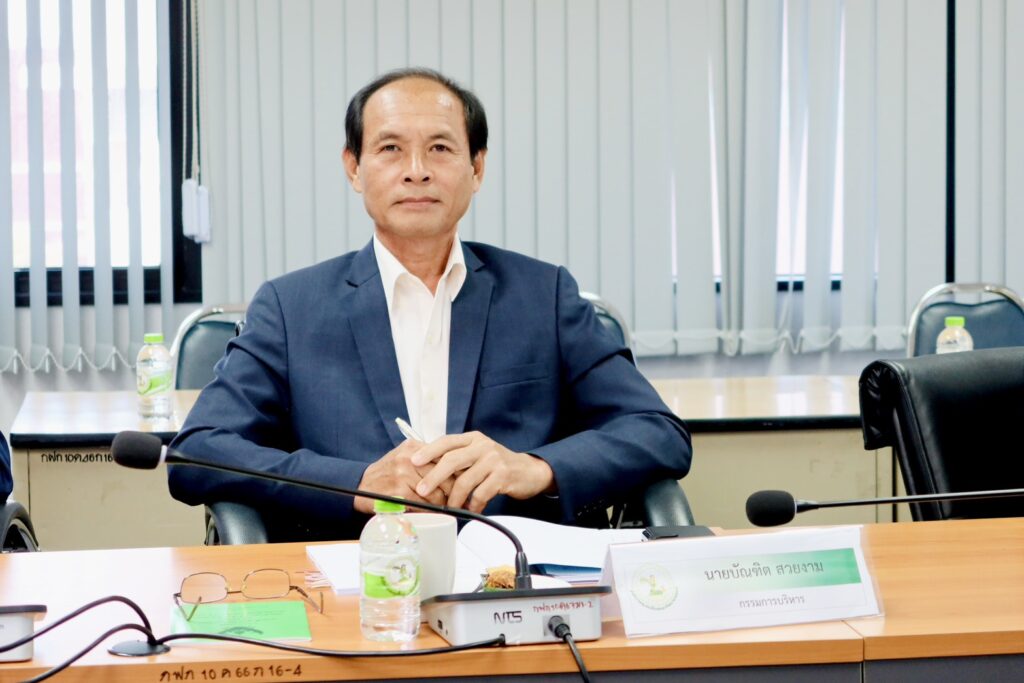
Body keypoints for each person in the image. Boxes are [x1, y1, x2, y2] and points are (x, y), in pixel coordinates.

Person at [169, 68, 691, 540]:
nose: (416, 171)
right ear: (354, 168)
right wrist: (357, 483)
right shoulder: (291, 308)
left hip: (516, 578)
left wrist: (533, 468)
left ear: (477, 167)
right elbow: (198, 451)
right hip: (353, 579)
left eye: (440, 148)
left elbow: (657, 432)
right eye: (390, 148)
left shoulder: (543, 295)